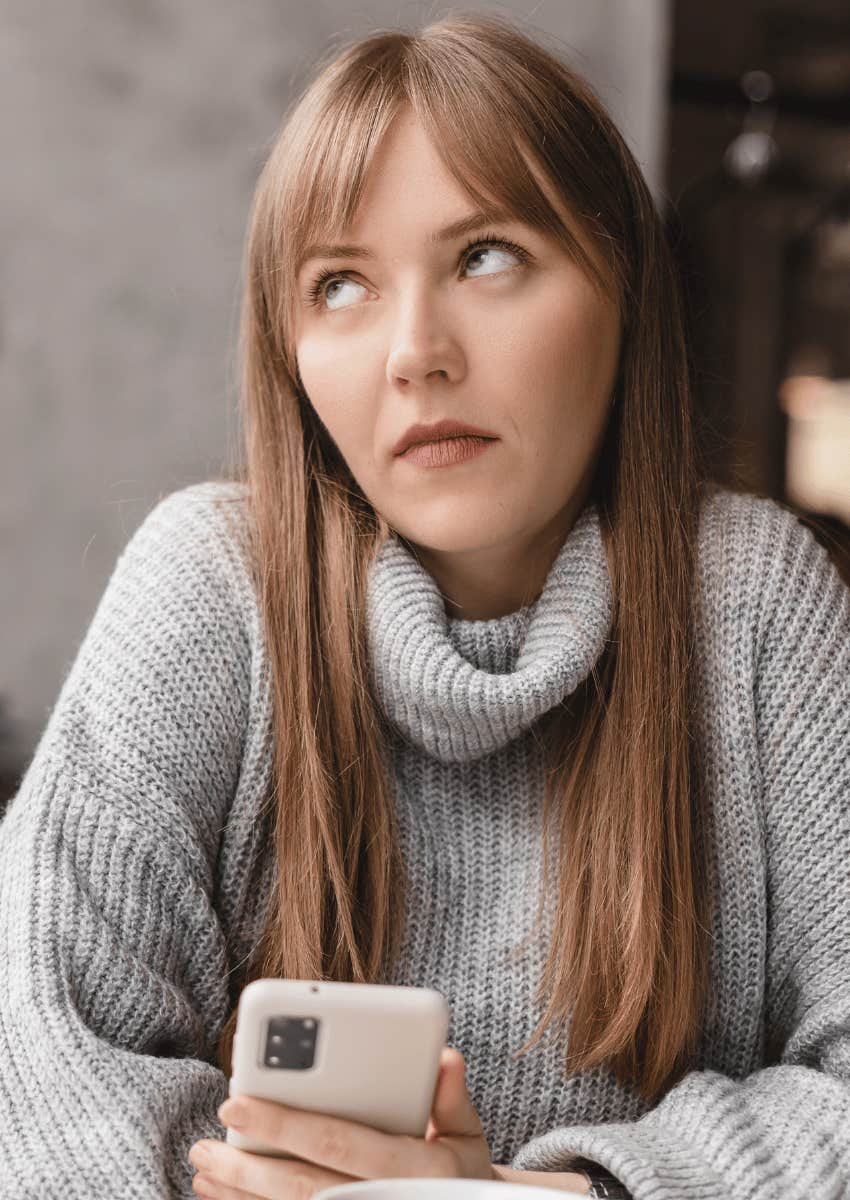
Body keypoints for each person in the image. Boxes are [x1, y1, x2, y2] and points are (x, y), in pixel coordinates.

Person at [1, 9, 848, 1199]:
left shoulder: (751, 603)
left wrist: (557, 1196)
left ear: (621, 288)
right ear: (286, 346)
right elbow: (31, 1055)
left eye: (485, 256)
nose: (415, 353)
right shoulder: (211, 583)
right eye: (339, 283)